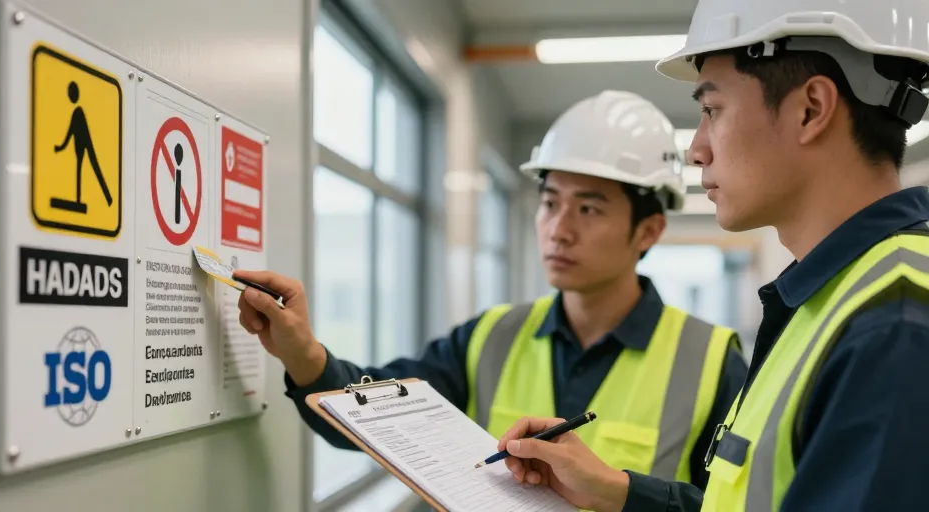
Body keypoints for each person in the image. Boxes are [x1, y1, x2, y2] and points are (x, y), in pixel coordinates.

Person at [495, 1, 929, 511]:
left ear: (811, 109)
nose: (696, 149)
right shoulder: (836, 301)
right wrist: (619, 492)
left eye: (712, 110)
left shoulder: (894, 327)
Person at [236, 90, 747, 490]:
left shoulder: (709, 363)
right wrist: (302, 354)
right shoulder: (493, 337)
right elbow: (378, 422)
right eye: (550, 203)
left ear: (648, 230)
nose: (559, 229)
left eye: (589, 208)